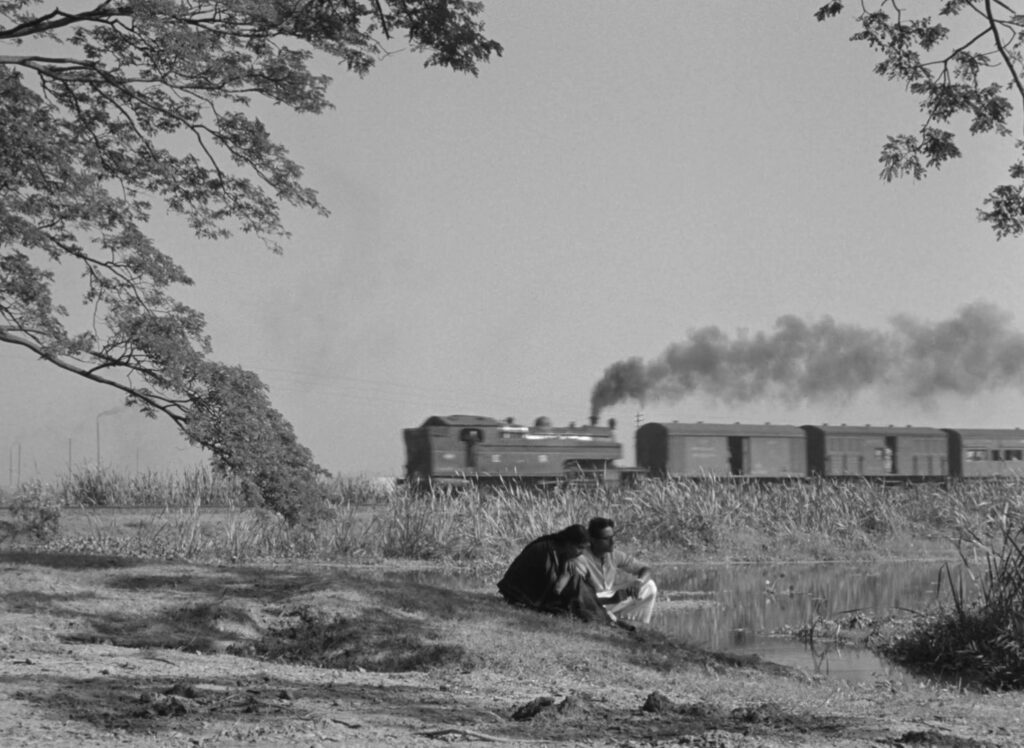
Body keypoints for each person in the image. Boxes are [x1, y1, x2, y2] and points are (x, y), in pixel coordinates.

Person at [497, 524, 610, 623]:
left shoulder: (565, 551)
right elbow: (554, 589)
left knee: (577, 578)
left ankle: (596, 610)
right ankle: (591, 611)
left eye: (584, 549)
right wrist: (566, 576)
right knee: (573, 584)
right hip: (521, 593)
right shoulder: (545, 551)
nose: (581, 552)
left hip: (549, 589)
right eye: (579, 548)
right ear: (568, 543)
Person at [574, 517, 657, 624]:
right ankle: (606, 617)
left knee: (649, 586)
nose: (612, 542)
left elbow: (646, 569)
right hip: (591, 602)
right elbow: (579, 597)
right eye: (606, 538)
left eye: (612, 537)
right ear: (592, 540)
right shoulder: (581, 559)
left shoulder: (614, 555)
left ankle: (636, 623)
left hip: (608, 599)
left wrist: (639, 582)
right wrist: (611, 599)